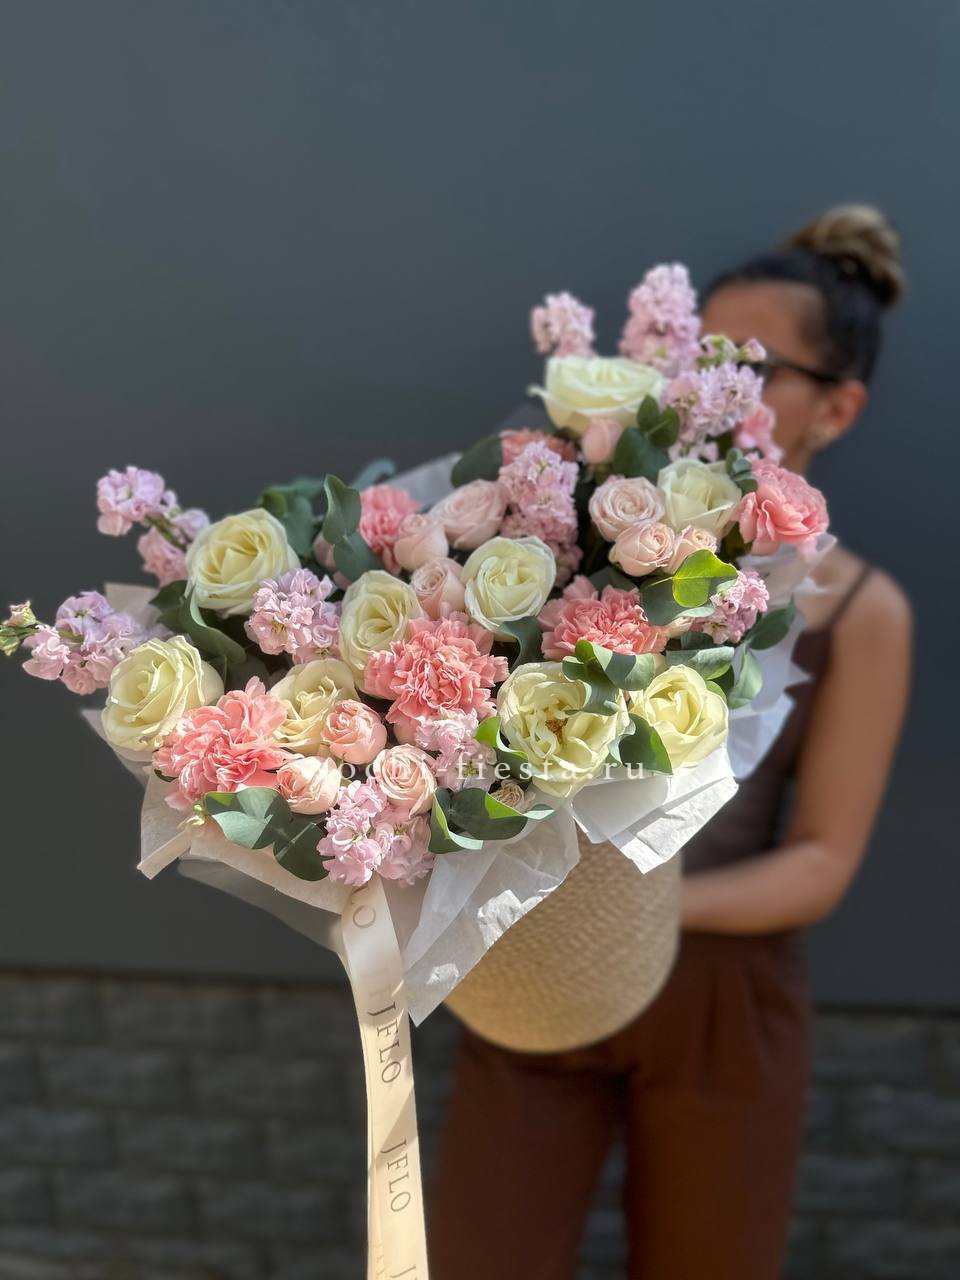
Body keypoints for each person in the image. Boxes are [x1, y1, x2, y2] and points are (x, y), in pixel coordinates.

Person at [428, 205, 913, 1280]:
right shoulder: (571, 547)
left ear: (836, 406)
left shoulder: (863, 611)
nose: (706, 390)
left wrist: (629, 908)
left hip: (719, 999)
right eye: (696, 360)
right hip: (544, 967)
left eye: (751, 368)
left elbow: (821, 863)